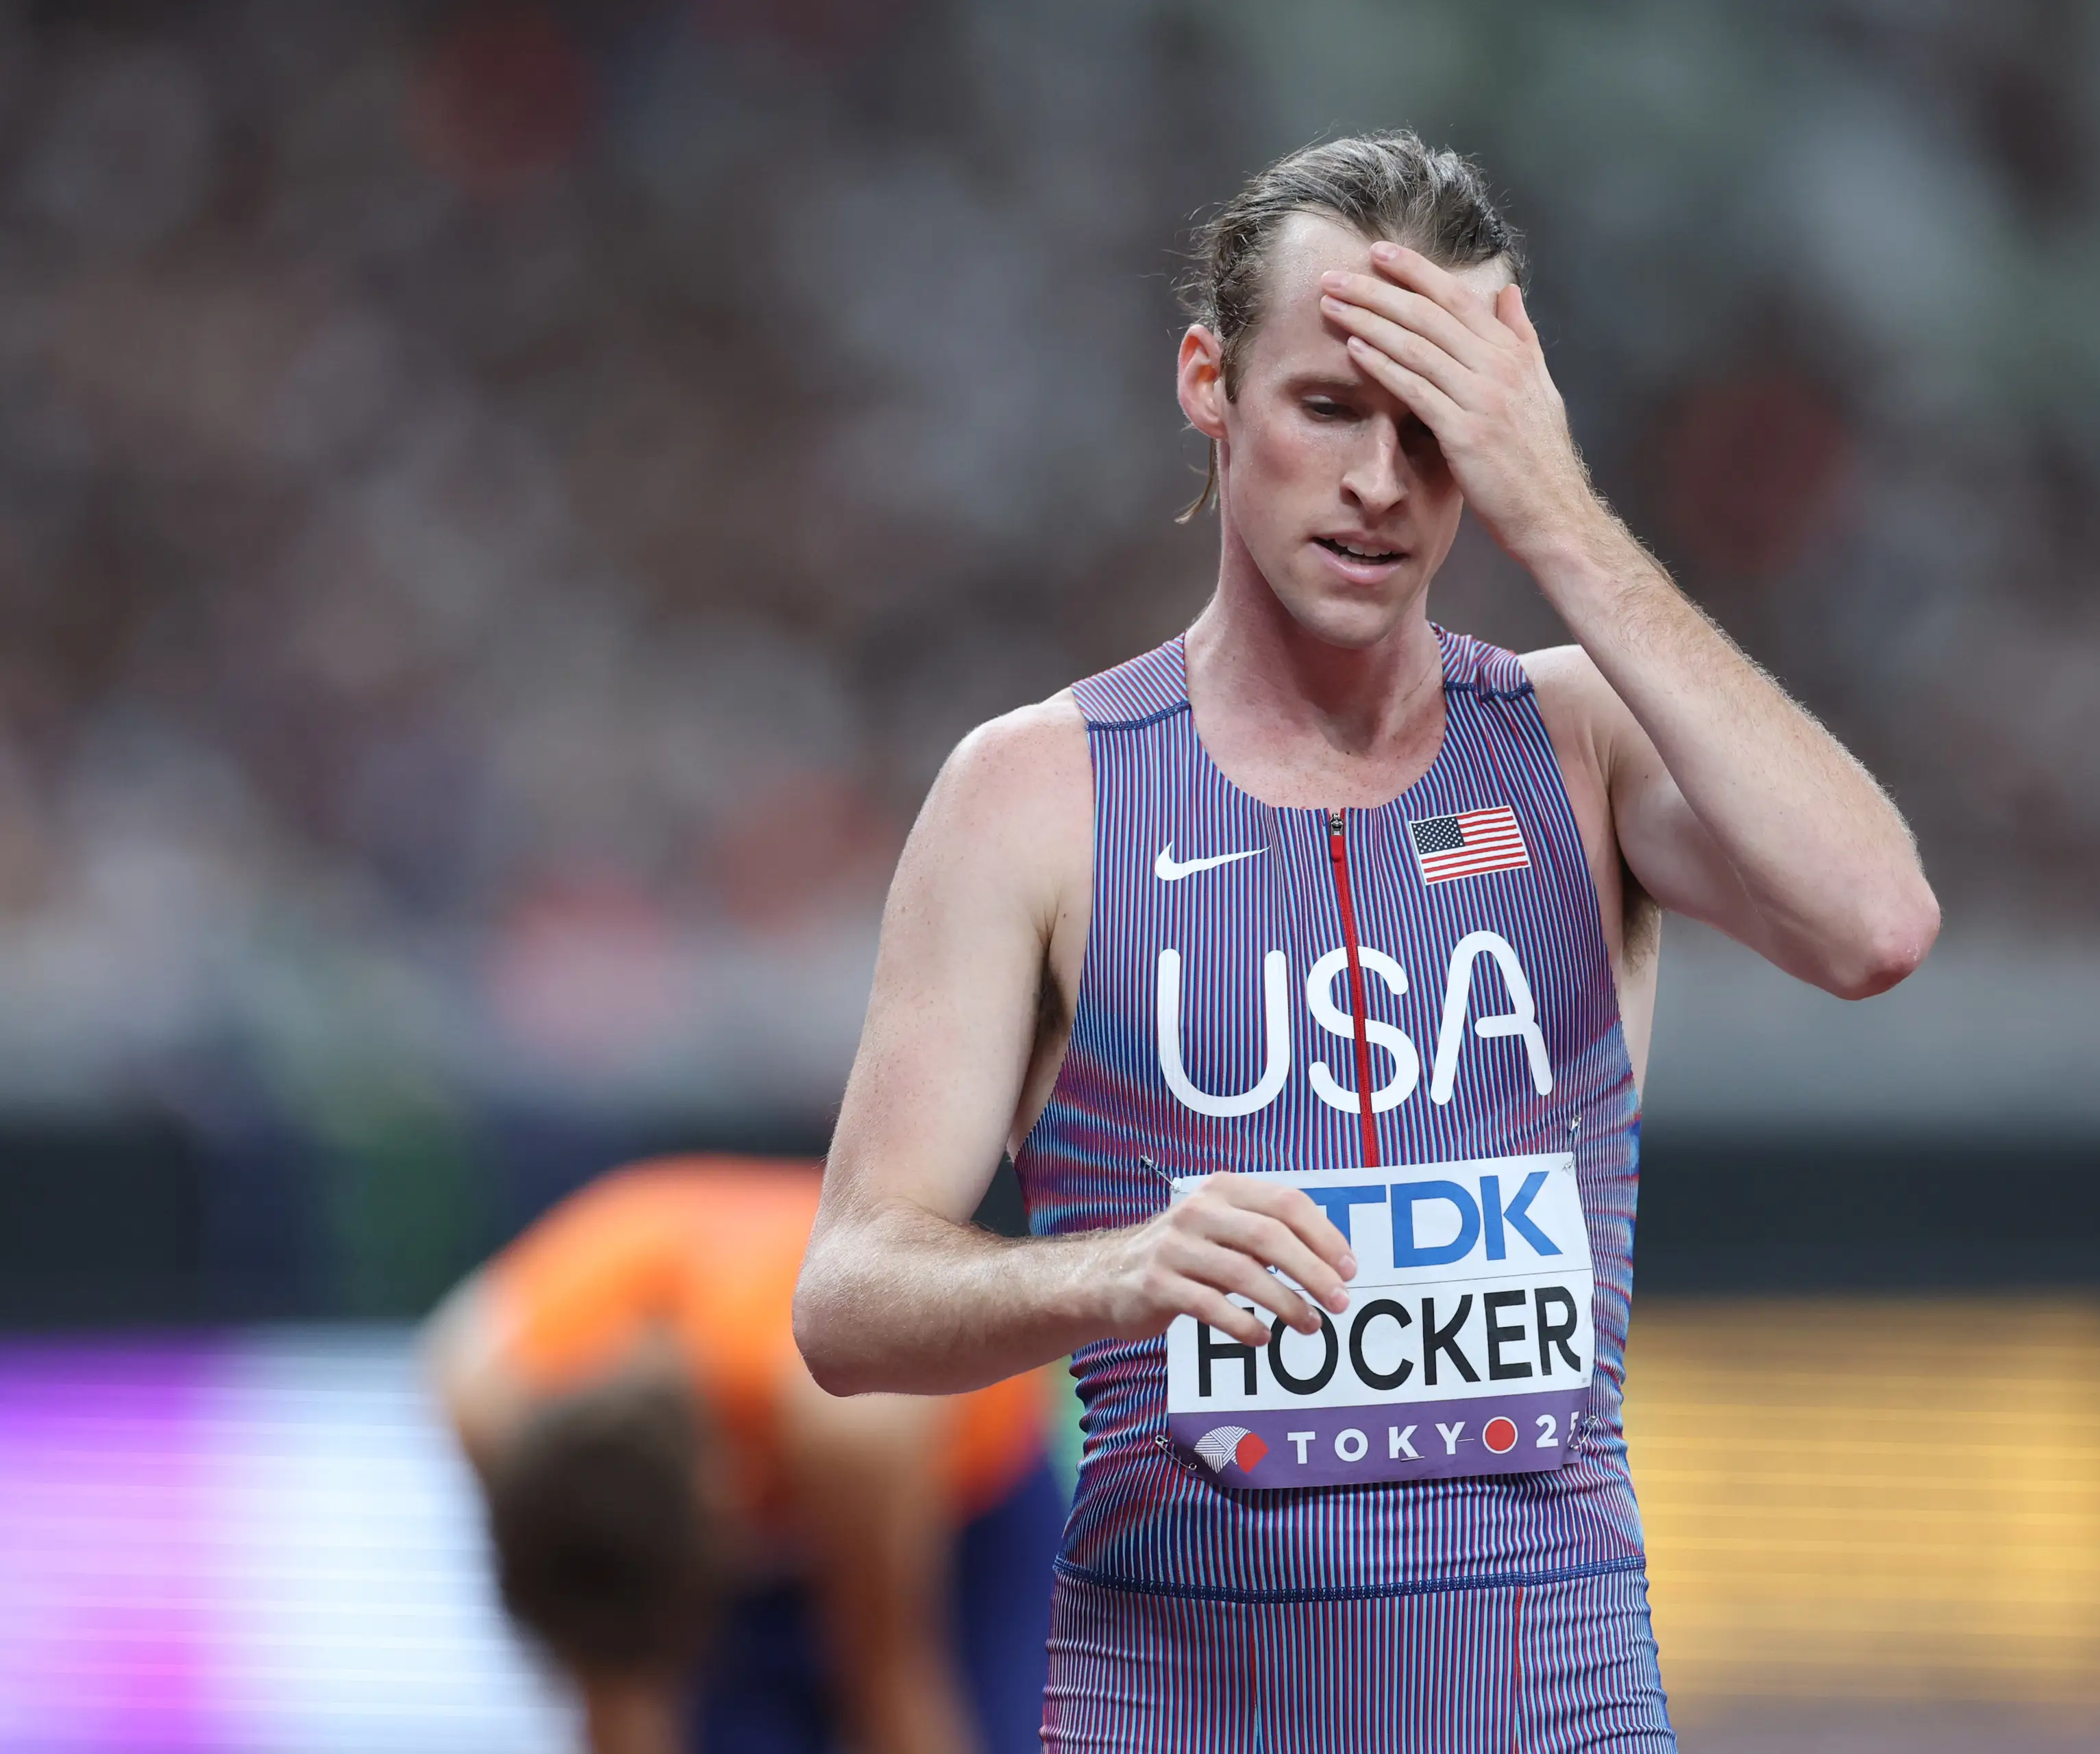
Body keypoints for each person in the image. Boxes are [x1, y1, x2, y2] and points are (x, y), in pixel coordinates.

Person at [791, 132, 1940, 1751]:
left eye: (1435, 428)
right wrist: (1117, 1269)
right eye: (1329, 406)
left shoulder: (1575, 744)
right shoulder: (1032, 793)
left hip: (1559, 1712)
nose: (1383, 485)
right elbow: (847, 1293)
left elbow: (1873, 919)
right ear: (1207, 380)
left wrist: (1561, 516)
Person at [425, 1155, 1062, 1754]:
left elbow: (890, 1684)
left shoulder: (849, 1421)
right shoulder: (486, 1389)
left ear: (730, 1504)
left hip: (966, 1502)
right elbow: (611, 1668)